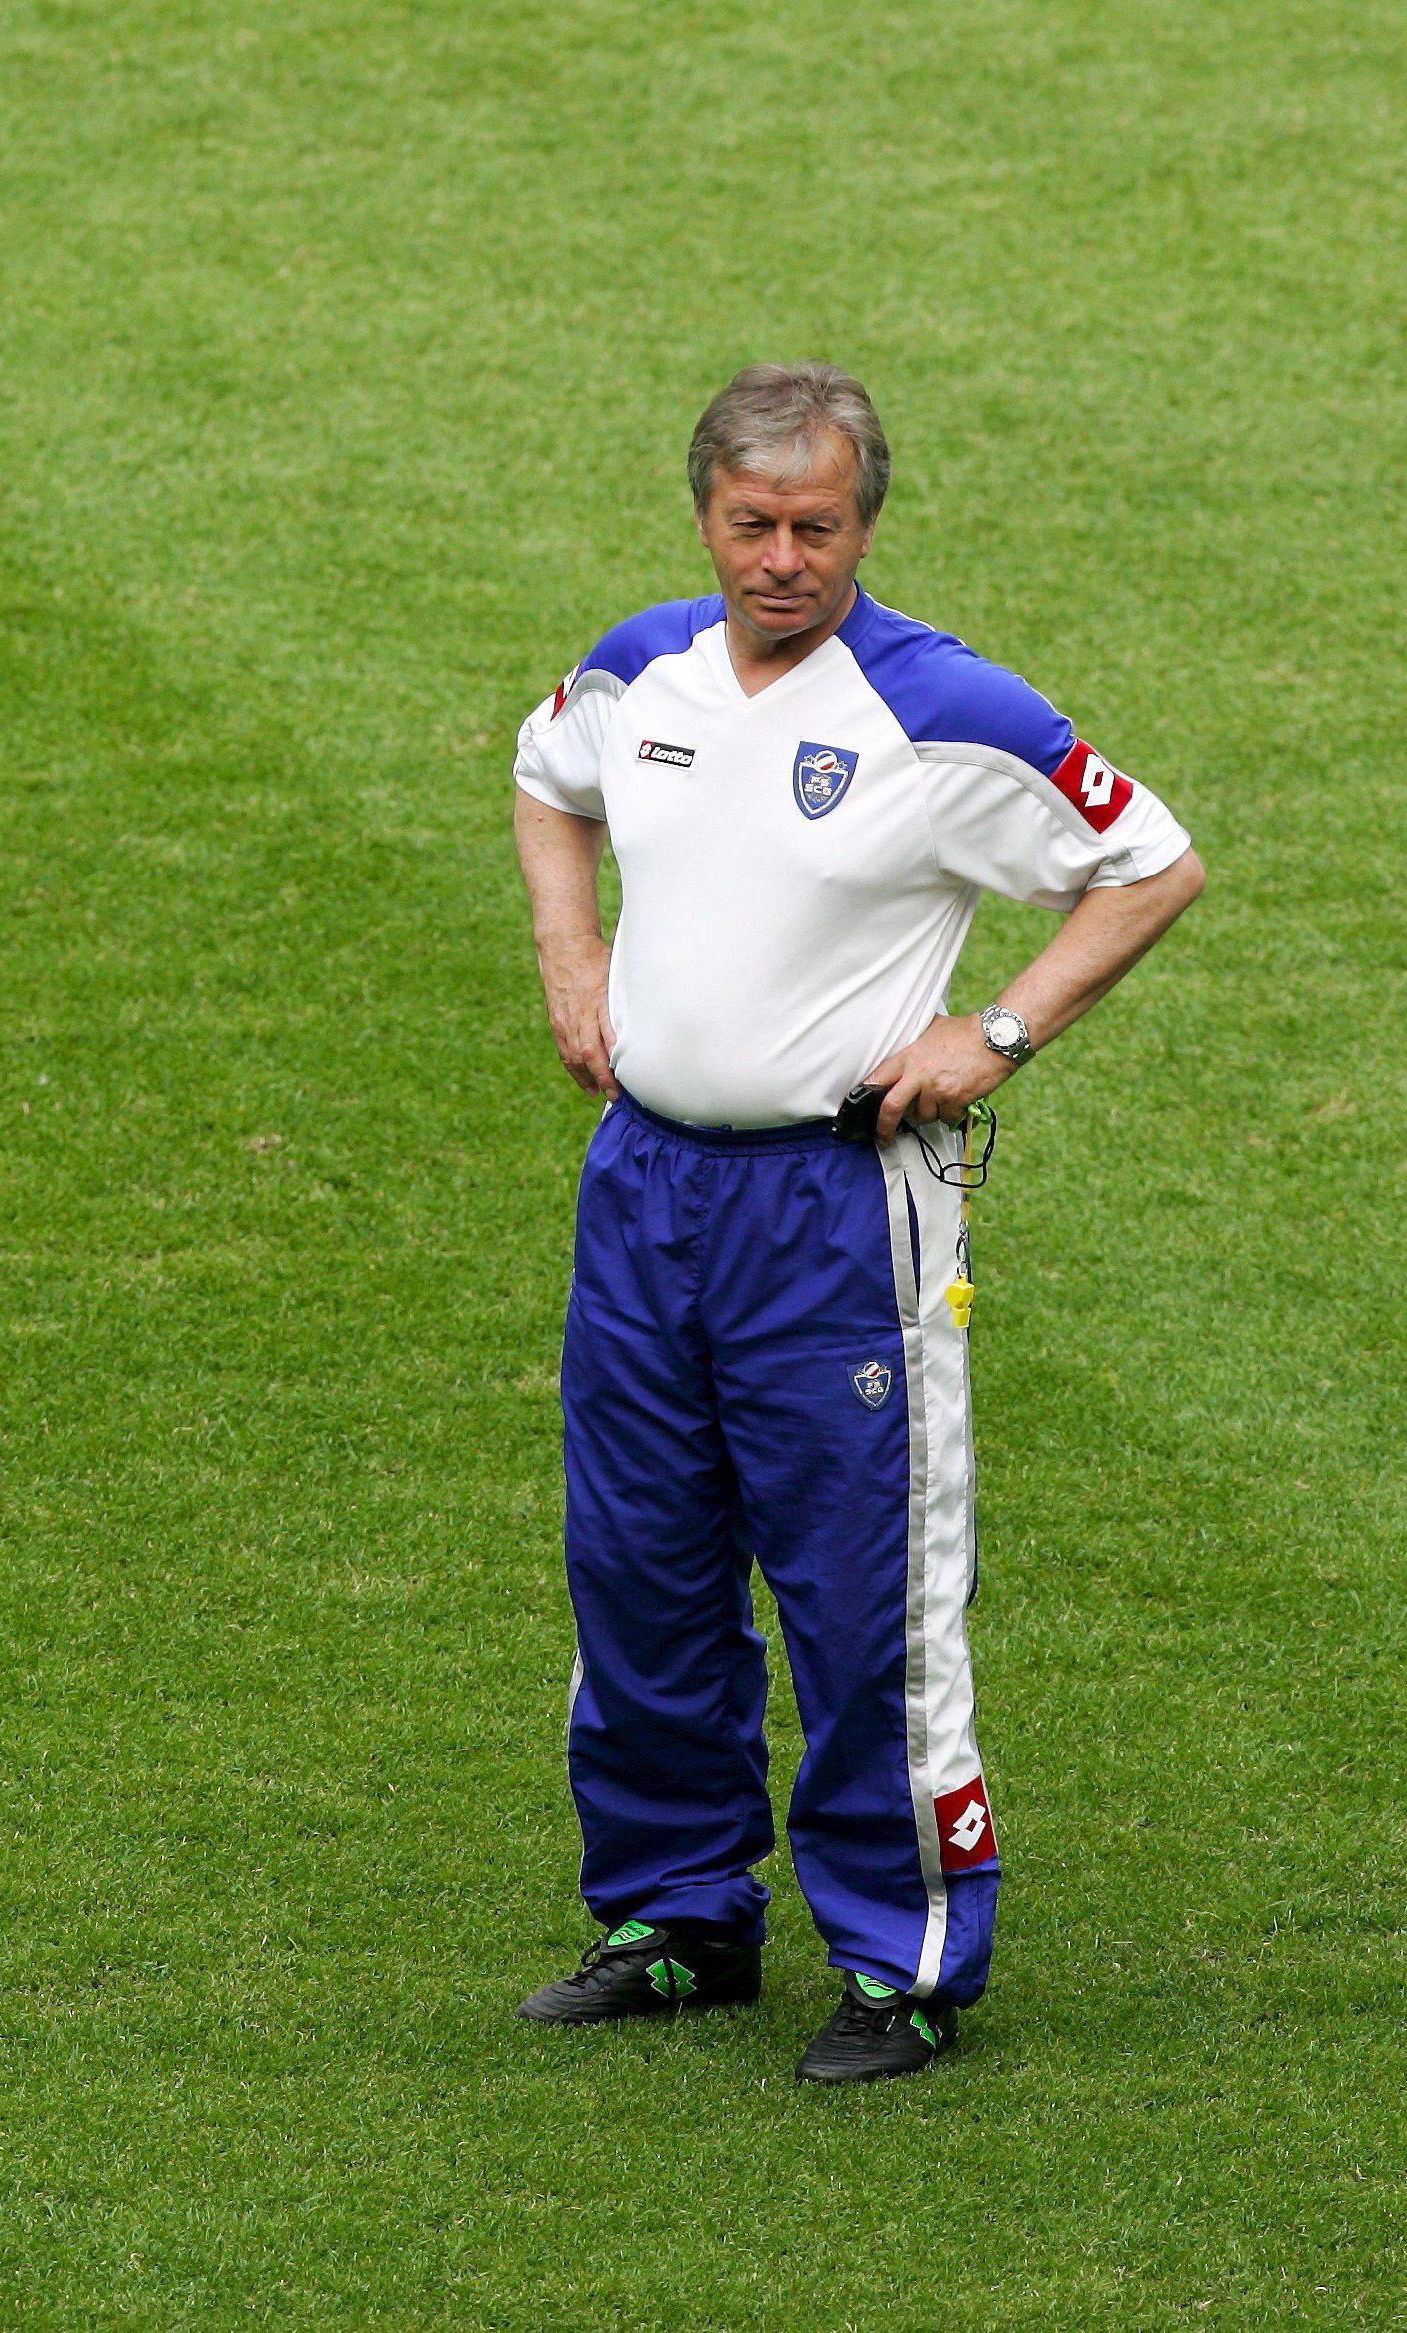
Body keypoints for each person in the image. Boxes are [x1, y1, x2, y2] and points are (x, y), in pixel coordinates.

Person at [505, 363, 1205, 2083]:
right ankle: (677, 1918)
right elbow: (548, 776)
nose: (783, 558)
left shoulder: (942, 707)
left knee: (862, 1590)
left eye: (819, 525)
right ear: (706, 519)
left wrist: (999, 1032)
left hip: (836, 1217)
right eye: (754, 523)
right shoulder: (640, 663)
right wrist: (570, 954)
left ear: (865, 525)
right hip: (647, 1191)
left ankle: (906, 1962)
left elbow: (1155, 861)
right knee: (641, 1563)